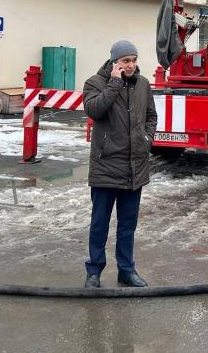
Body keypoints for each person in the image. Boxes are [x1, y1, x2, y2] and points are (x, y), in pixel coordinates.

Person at [82, 40, 157, 288]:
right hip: (106, 166)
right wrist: (114, 84)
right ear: (115, 61)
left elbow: (150, 115)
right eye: (126, 61)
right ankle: (94, 271)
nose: (131, 65)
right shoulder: (95, 83)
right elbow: (94, 110)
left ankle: (126, 270)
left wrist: (147, 139)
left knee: (128, 226)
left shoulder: (143, 85)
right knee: (99, 224)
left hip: (134, 167)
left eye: (134, 60)